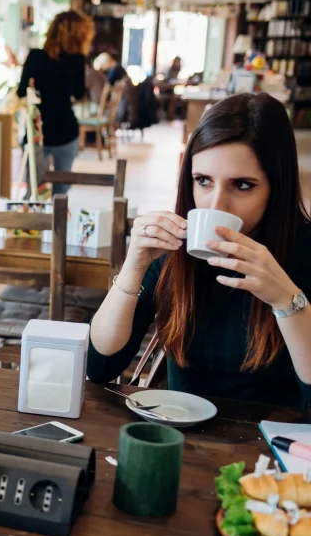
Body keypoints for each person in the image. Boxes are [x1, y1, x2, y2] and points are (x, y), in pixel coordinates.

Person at [87, 93, 311, 407]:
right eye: (203, 180)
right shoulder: (174, 248)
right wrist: (132, 267)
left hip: (271, 447)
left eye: (242, 185)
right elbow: (99, 367)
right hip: (179, 438)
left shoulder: (303, 251)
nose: (215, 204)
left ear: (278, 187)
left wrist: (288, 301)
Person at [17, 10, 95, 194]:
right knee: (61, 193)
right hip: (66, 131)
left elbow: (21, 91)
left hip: (38, 132)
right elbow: (78, 93)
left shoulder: (35, 56)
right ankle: (57, 223)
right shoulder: (77, 60)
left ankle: (34, 223)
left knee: (35, 191)